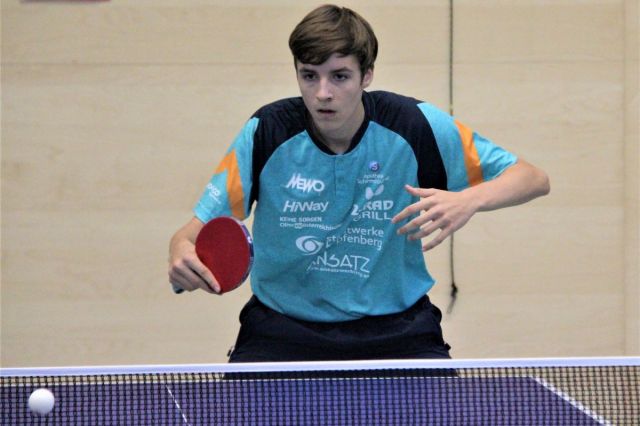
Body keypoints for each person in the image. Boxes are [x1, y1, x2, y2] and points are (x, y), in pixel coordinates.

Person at [168, 4, 550, 362]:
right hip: (282, 332)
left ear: (366, 75)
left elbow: (532, 178)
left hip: (399, 334)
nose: (323, 93)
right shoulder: (268, 131)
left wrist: (468, 200)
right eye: (309, 75)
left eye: (340, 76)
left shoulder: (412, 125)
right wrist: (180, 250)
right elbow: (190, 234)